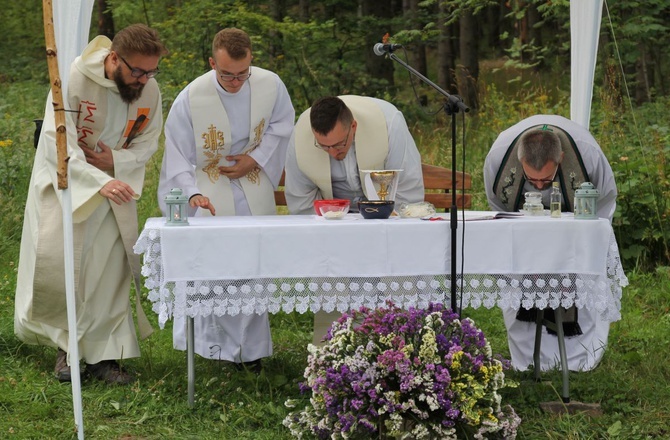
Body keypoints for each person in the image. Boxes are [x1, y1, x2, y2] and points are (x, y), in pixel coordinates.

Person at [14, 24, 168, 384]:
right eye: (138, 71)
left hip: (116, 188)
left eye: (151, 71)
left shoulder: (149, 89)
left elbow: (149, 139)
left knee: (111, 274)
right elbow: (56, 142)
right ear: (114, 58)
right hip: (70, 187)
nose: (144, 80)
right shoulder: (71, 78)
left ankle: (106, 357)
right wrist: (99, 181)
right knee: (72, 270)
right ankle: (67, 351)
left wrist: (115, 161)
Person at [157, 28, 294, 370]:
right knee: (215, 271)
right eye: (226, 75)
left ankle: (251, 351)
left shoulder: (271, 85)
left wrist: (257, 158)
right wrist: (194, 195)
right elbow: (177, 156)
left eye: (242, 75)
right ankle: (213, 346)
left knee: (252, 266)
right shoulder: (191, 99)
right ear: (211, 63)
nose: (235, 82)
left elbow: (282, 126)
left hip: (252, 182)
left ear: (251, 62)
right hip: (209, 188)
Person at [284, 95, 424, 344]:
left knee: (397, 282)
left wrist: (384, 228)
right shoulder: (301, 138)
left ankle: (398, 349)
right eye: (324, 147)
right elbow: (301, 199)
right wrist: (332, 230)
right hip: (334, 227)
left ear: (354, 127)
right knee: (332, 281)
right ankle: (338, 353)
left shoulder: (388, 122)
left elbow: (407, 186)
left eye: (339, 144)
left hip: (386, 221)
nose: (333, 153)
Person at [483, 114, 617, 372]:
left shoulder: (587, 153)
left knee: (578, 282)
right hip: (524, 232)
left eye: (546, 180)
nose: (539, 186)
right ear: (521, 162)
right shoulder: (500, 156)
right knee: (520, 282)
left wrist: (587, 242)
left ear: (561, 160)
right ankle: (529, 359)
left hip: (573, 235)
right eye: (532, 180)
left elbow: (604, 202)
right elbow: (498, 202)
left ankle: (579, 358)